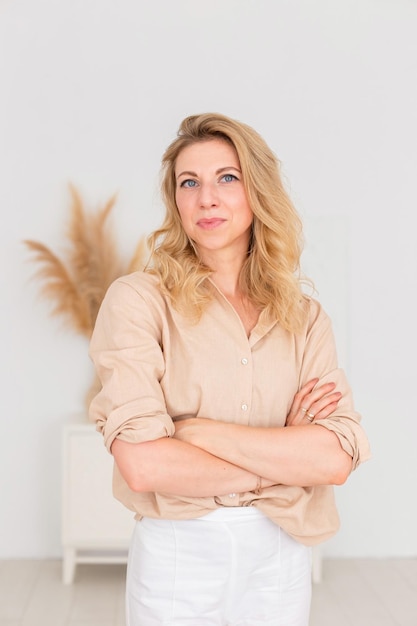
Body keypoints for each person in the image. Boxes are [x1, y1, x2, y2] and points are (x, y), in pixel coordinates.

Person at [89, 112, 370, 626]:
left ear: (257, 189)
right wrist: (287, 454)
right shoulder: (138, 302)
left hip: (280, 552)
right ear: (175, 200)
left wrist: (196, 433)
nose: (207, 198)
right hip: (180, 553)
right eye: (188, 182)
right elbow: (144, 467)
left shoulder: (304, 318)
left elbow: (334, 460)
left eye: (227, 178)